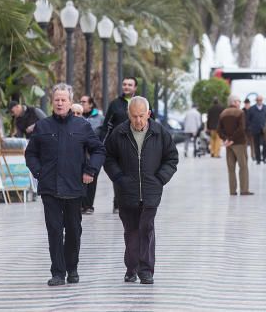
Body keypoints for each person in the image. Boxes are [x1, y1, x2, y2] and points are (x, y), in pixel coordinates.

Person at [24, 83, 105, 286]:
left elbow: (98, 150)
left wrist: (90, 171)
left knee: (74, 230)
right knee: (54, 230)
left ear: (70, 102)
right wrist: (39, 172)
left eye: (64, 100)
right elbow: (31, 153)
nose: (60, 103)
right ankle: (58, 273)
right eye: (57, 100)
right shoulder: (43, 126)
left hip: (74, 187)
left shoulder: (82, 126)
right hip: (49, 188)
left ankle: (72, 268)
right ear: (52, 102)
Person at [103, 96, 178, 285]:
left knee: (146, 228)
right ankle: (131, 268)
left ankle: (146, 270)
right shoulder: (119, 133)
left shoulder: (160, 133)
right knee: (131, 231)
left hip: (151, 191)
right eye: (134, 116)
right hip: (127, 192)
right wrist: (119, 178)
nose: (138, 120)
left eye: (141, 116)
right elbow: (108, 158)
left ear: (149, 114)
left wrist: (160, 178)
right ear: (128, 114)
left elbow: (171, 158)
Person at [104, 77, 138, 212]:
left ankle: (133, 202)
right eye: (124, 84)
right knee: (118, 174)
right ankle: (118, 203)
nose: (127, 87)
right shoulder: (115, 104)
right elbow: (106, 125)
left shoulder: (141, 103)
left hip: (137, 146)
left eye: (130, 85)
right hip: (117, 147)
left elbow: (151, 123)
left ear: (135, 88)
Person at [218, 95, 252, 195]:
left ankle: (232, 191)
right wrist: (232, 140)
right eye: (238, 101)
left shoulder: (223, 113)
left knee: (231, 168)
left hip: (228, 145)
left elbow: (219, 130)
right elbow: (241, 128)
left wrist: (226, 139)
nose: (240, 103)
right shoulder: (240, 112)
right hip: (239, 143)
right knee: (243, 167)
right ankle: (244, 190)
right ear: (234, 102)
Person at [246, 95, 266, 163]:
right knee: (256, 145)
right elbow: (248, 119)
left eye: (260, 100)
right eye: (258, 100)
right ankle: (258, 159)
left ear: (262, 100)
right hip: (255, 129)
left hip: (264, 129)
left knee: (265, 144)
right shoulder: (251, 108)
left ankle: (264, 158)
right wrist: (250, 127)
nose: (259, 101)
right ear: (256, 101)